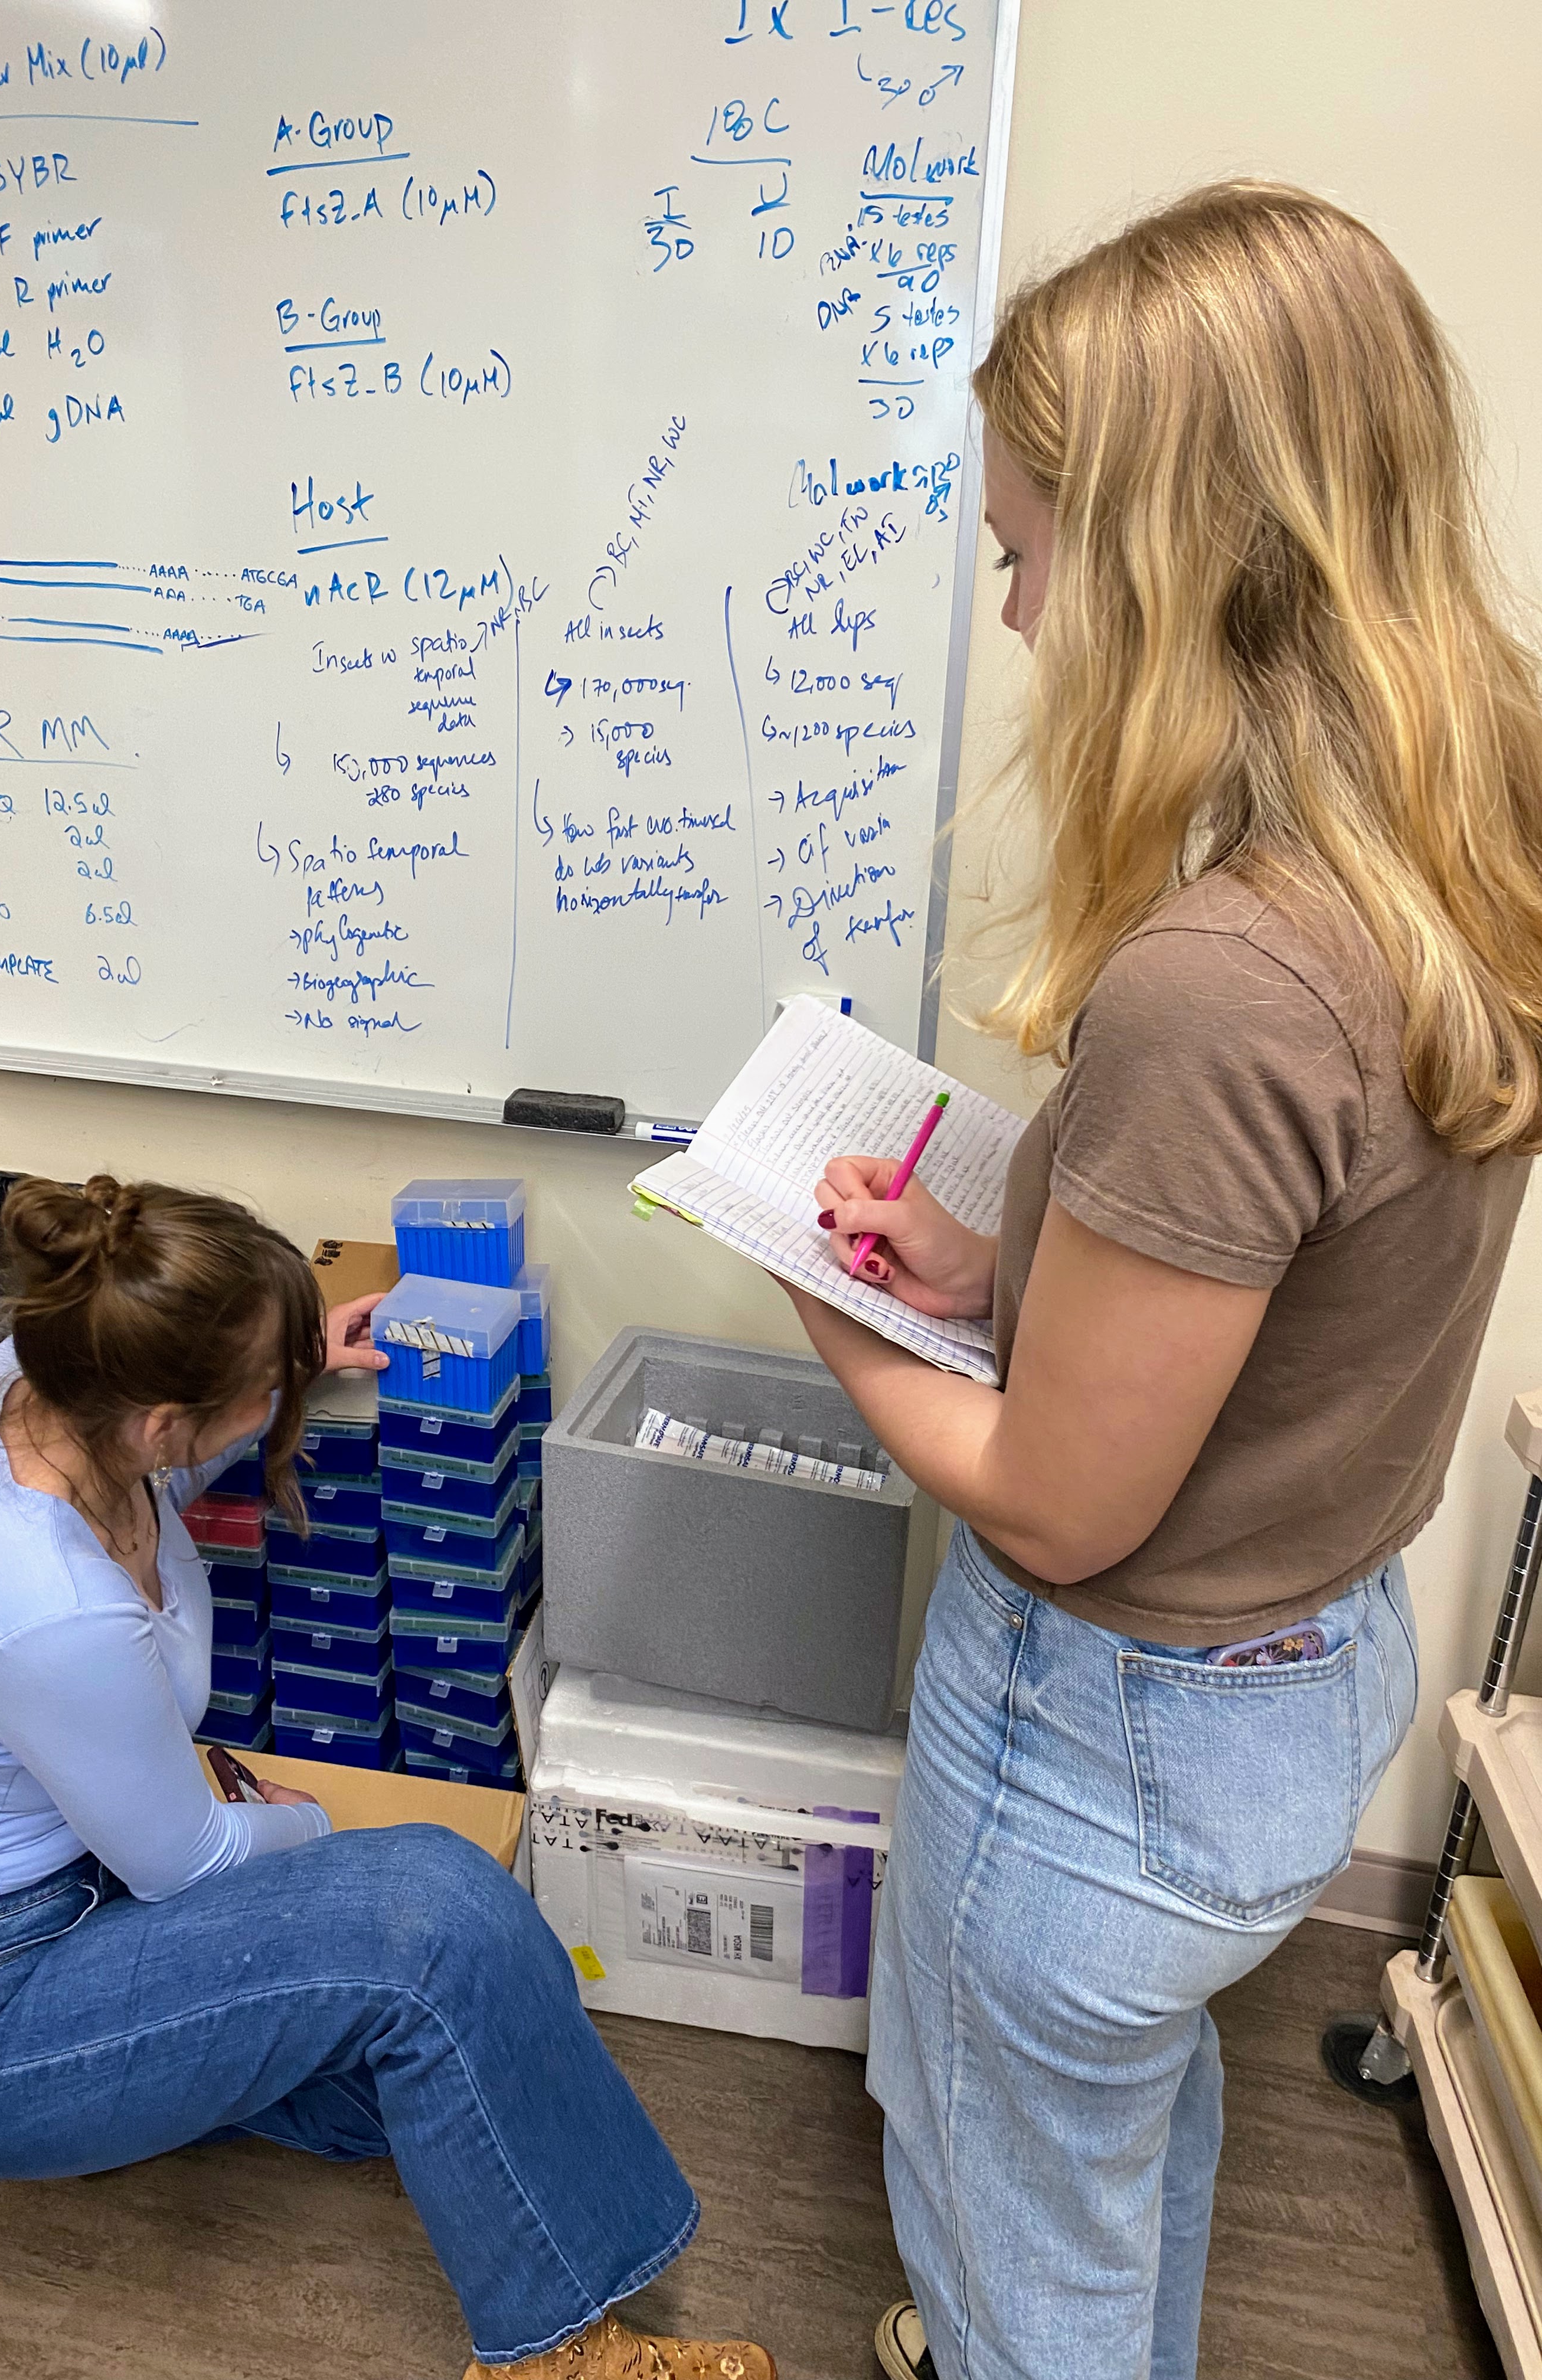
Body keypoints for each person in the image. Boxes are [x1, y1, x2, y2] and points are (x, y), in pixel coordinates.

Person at [782, 182, 1542, 2380]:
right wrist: (993, 1241)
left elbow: (1050, 1499)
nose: (1014, 619)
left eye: (1025, 554)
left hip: (1108, 1731)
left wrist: (835, 1305)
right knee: (1098, 2132)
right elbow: (1282, 1259)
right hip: (1292, 1680)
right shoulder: (1455, 826)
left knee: (1018, 2213)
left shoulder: (1222, 975)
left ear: (1179, 555)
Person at [0, 1172, 775, 2380]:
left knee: (460, 2022)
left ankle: (515, 2198)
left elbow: (159, 1481)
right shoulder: (44, 1603)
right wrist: (313, 1826)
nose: (278, 1401)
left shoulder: (41, 1391)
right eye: (260, 1391)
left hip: (87, 1891)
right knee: (438, 1923)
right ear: (161, 1416)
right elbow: (185, 1860)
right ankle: (556, 2354)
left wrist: (303, 1358)